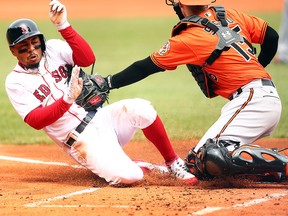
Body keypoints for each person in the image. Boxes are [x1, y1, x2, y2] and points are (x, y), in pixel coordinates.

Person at [5, 0, 198, 185]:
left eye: (35, 43)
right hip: (80, 140)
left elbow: (87, 59)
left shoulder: (54, 49)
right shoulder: (15, 82)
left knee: (141, 108)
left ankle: (173, 163)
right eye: (23, 47)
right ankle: (140, 166)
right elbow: (36, 120)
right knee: (130, 177)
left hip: (103, 118)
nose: (32, 49)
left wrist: (63, 25)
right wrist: (66, 100)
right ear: (13, 51)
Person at [105, 0, 288, 180]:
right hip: (261, 97)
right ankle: (273, 171)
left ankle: (283, 164)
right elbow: (271, 37)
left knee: (207, 158)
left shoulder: (189, 38)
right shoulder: (230, 15)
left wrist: (108, 82)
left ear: (181, 6)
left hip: (253, 102)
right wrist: (255, 68)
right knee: (202, 164)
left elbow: (145, 66)